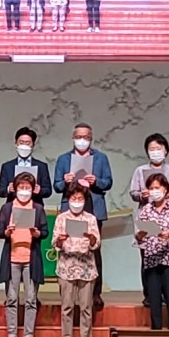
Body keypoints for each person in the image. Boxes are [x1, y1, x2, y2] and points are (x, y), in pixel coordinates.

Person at [54, 122, 113, 309]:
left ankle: (95, 293)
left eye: (86, 137)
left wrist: (96, 181)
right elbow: (56, 186)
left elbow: (108, 182)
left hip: (93, 207)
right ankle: (67, 292)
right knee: (68, 246)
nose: (82, 140)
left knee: (94, 248)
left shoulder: (101, 158)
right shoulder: (63, 159)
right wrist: (65, 181)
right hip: (70, 208)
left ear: (91, 138)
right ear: (73, 138)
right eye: (79, 137)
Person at [129, 133, 169, 306]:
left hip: (168, 217)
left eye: (158, 148)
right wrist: (143, 195)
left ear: (166, 150)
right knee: (147, 255)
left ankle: (168, 294)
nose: (155, 152)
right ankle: (150, 295)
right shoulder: (140, 171)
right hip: (147, 214)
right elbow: (133, 193)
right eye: (152, 149)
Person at [0, 172, 49, 337]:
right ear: (15, 189)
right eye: (21, 187)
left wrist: (37, 233)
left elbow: (44, 231)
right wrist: (7, 232)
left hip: (30, 259)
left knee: (31, 299)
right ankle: (11, 336)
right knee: (11, 299)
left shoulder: (38, 208)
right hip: (12, 258)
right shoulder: (7, 208)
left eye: (28, 187)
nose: (24, 191)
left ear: (33, 190)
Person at [135, 173, 169, 330]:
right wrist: (141, 234)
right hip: (151, 258)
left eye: (157, 187)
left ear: (165, 189)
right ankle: (156, 329)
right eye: (151, 188)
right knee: (154, 297)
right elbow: (139, 236)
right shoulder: (146, 209)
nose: (154, 191)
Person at [52, 181, 100, 337]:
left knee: (86, 305)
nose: (77, 202)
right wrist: (60, 240)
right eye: (74, 198)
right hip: (66, 267)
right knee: (67, 305)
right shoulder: (61, 218)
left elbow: (96, 244)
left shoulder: (90, 219)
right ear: (69, 199)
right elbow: (55, 243)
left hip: (86, 268)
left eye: (80, 199)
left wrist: (92, 239)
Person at [0, 127, 52, 206]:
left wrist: (40, 190)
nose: (24, 146)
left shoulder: (41, 166)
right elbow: (0, 191)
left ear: (33, 145)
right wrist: (8, 189)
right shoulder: (7, 166)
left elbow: (48, 191)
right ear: (16, 144)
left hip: (35, 206)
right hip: (13, 205)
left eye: (27, 143)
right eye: (21, 142)